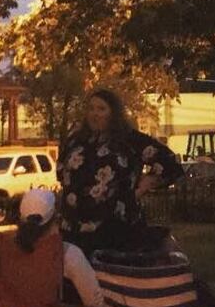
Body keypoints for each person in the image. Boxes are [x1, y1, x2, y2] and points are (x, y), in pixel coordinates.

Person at [57, 90, 183, 256]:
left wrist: (144, 185)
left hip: (115, 228)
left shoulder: (129, 141)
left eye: (101, 109)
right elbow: (61, 172)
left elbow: (170, 163)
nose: (95, 114)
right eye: (91, 108)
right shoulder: (75, 141)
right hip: (74, 229)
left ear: (113, 113)